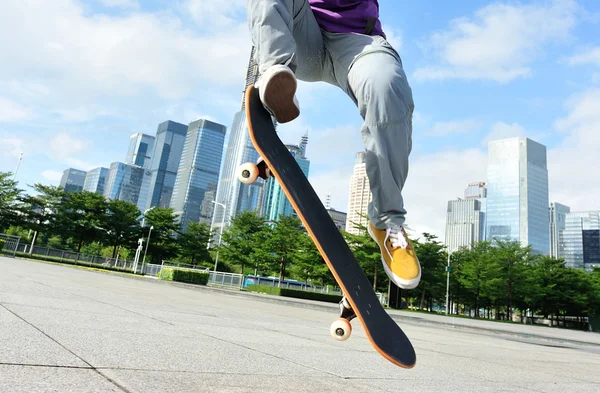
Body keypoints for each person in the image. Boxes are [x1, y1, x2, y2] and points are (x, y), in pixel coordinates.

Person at [247, 0, 421, 290]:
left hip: (358, 41)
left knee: (385, 84)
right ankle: (275, 72)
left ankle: (387, 221)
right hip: (302, 31)